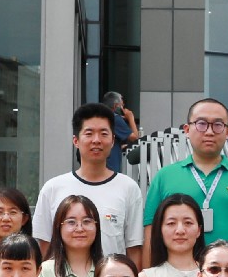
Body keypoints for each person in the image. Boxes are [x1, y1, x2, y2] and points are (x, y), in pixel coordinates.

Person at [142, 95, 228, 258]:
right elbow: (151, 237)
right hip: (177, 273)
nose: (209, 132)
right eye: (201, 124)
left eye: (218, 125)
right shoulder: (164, 177)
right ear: (187, 130)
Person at [35, 103, 147, 264]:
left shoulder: (128, 188)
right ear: (76, 140)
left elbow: (134, 249)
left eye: (103, 134)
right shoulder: (53, 188)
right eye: (89, 133)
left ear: (113, 140)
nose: (96, 140)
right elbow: (44, 247)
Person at [34, 193, 105, 277]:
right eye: (71, 222)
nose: (80, 228)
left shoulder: (109, 270)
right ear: (58, 227)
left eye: (87, 221)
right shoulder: (45, 272)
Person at [141, 193, 211, 277]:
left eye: (188, 223)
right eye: (171, 223)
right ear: (160, 230)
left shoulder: (214, 275)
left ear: (199, 230)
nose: (180, 230)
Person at [103, 89, 138, 174]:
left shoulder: (102, 117)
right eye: (122, 105)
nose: (123, 108)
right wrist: (131, 118)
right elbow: (135, 137)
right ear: (116, 106)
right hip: (111, 164)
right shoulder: (115, 118)